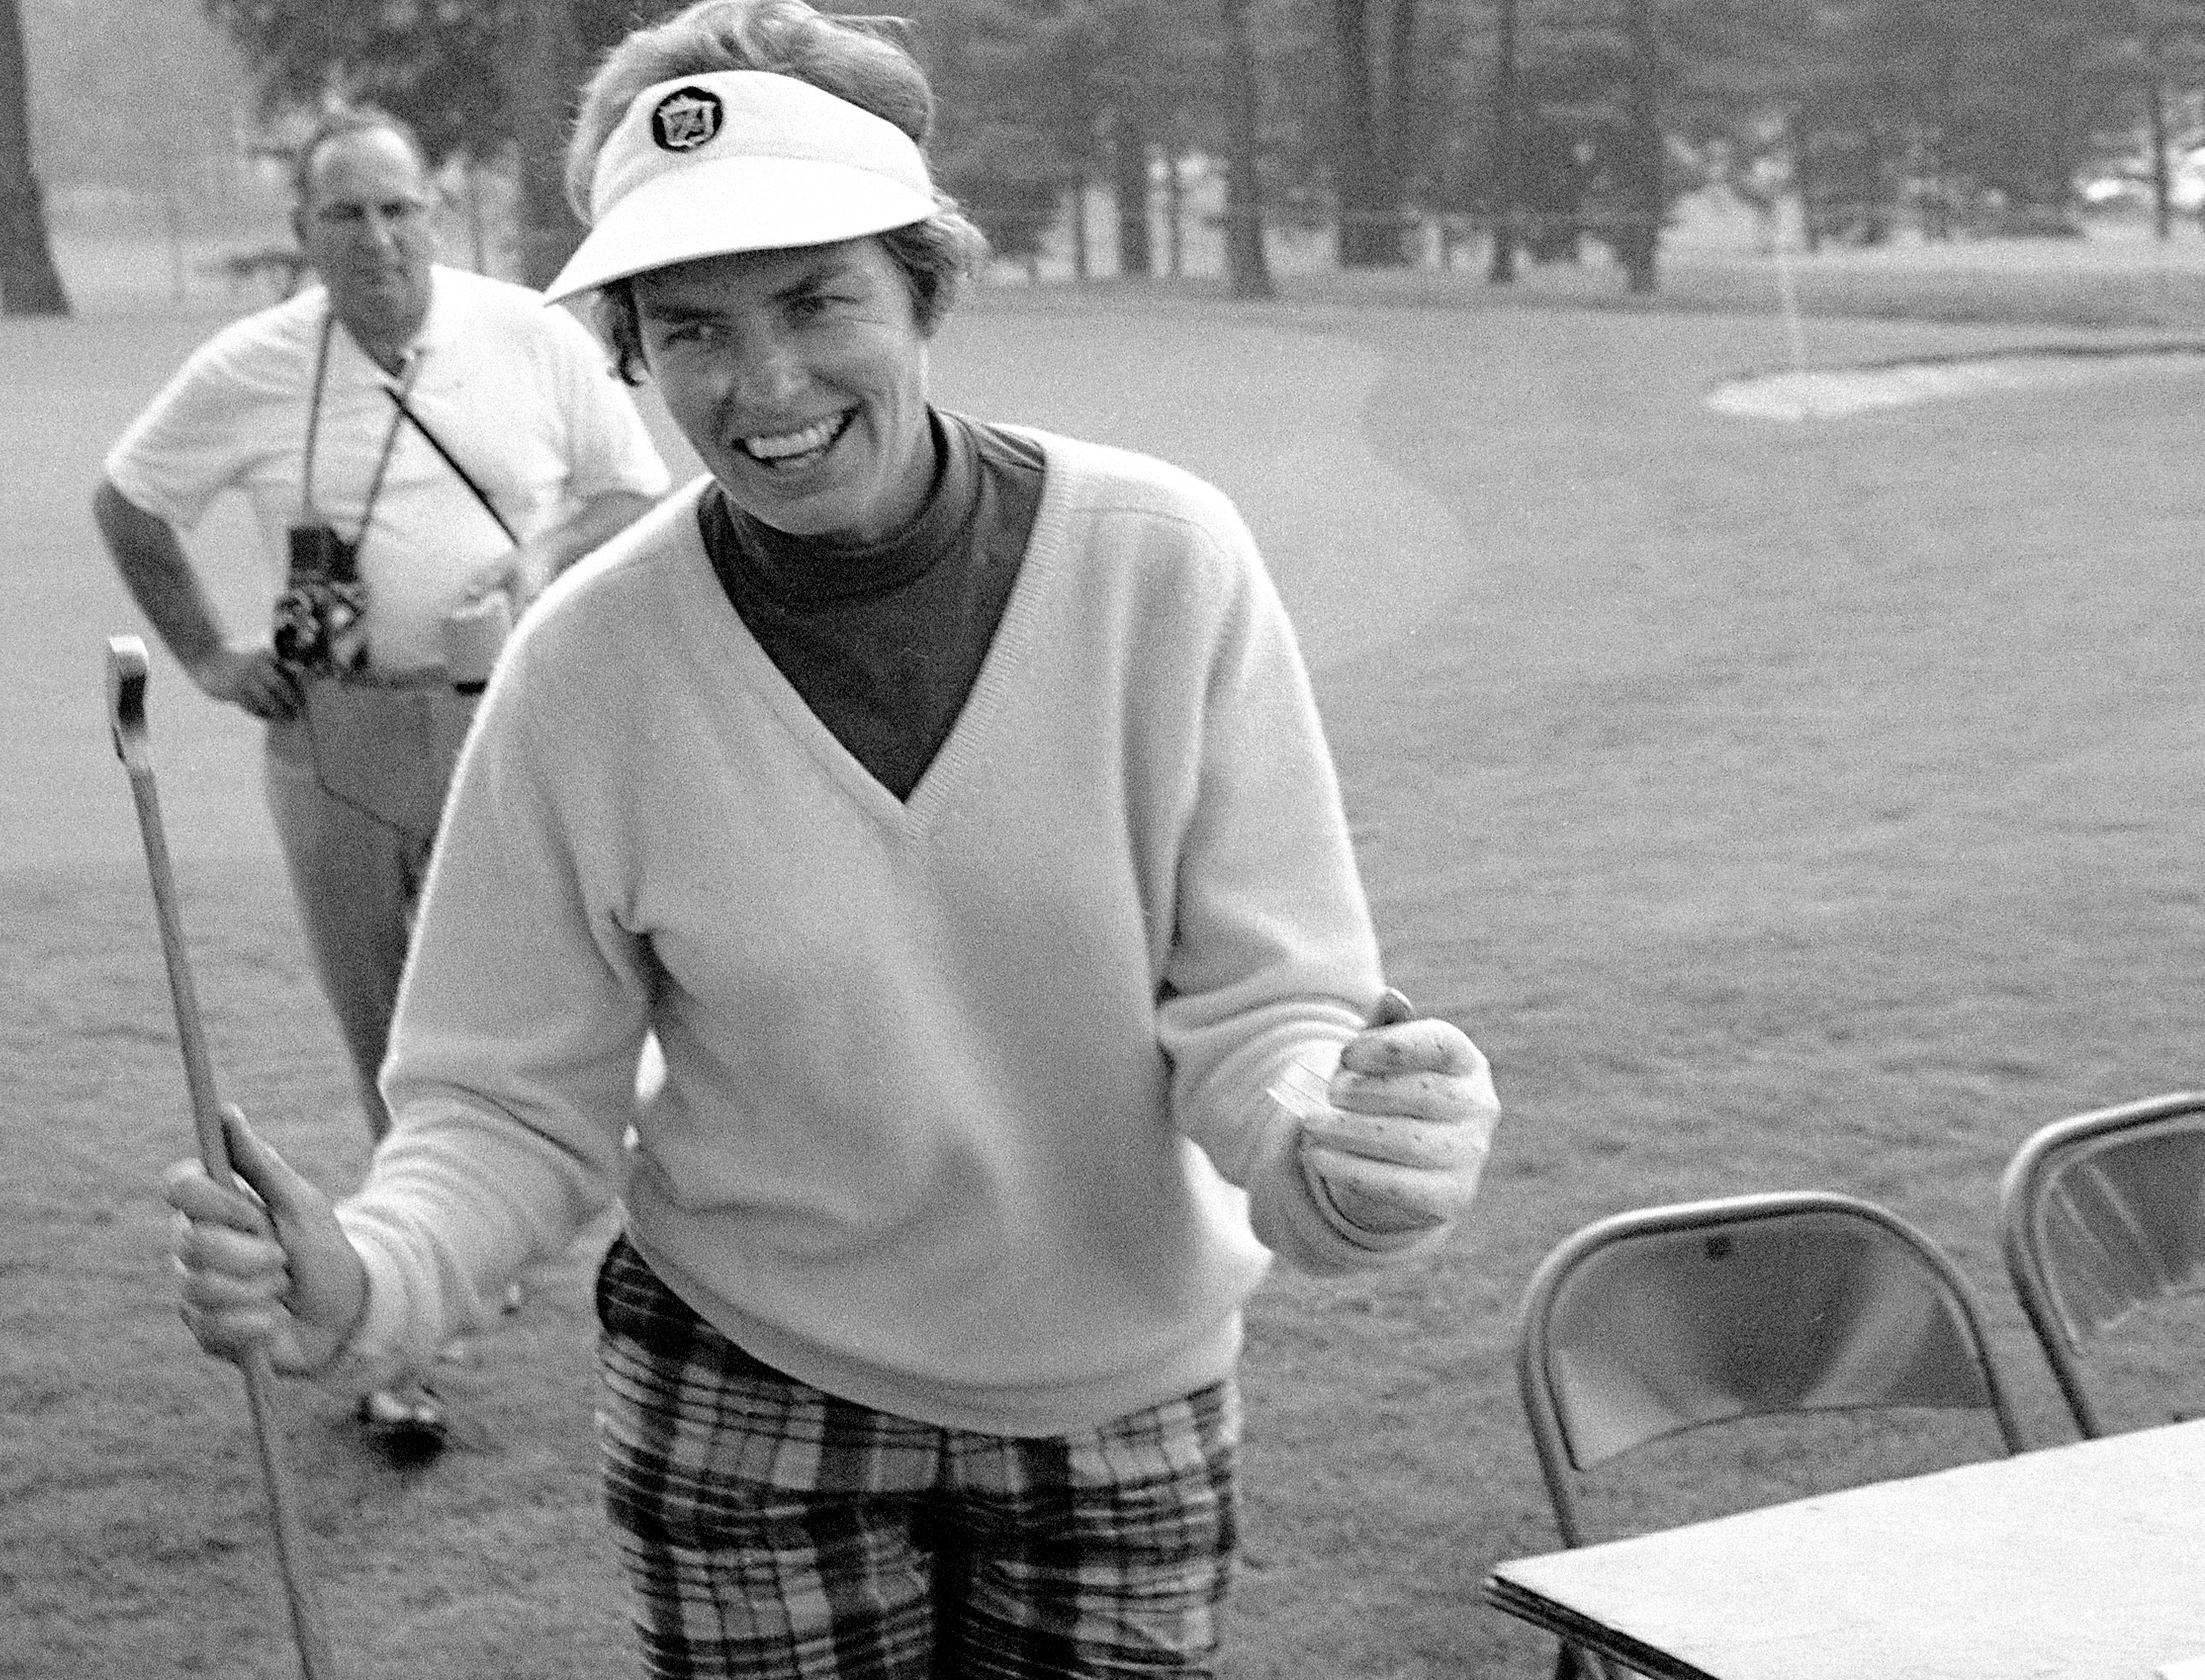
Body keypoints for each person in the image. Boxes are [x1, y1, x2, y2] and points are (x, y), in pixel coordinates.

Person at [166, 3, 1501, 1673]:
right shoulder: (586, 670)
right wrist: (365, 1275)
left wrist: (1334, 1155)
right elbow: (507, 1108)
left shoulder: (1166, 565)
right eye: (695, 330)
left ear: (925, 289)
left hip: (1117, 1397)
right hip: (746, 1395)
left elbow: (1265, 1011)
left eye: (816, 301)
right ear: (636, 354)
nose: (767, 384)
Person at [95, 104, 672, 1151]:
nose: (377, 237)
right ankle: (426, 1244)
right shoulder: (249, 366)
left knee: (549, 982)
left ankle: (606, 1201)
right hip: (333, 734)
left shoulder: (528, 334)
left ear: (437, 214)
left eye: (399, 209)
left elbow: (634, 494)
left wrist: (539, 558)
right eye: (345, 213)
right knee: (381, 1014)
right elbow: (130, 502)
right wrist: (209, 657)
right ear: (303, 226)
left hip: (506, 712)